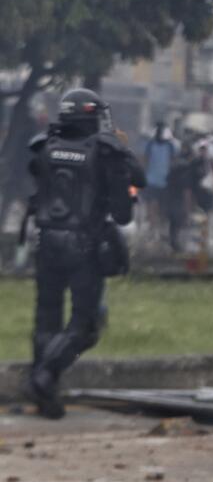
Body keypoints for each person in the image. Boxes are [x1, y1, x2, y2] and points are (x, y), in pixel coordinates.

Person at [24, 89, 145, 418]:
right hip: (82, 246)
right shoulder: (104, 151)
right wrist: (119, 152)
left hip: (46, 241)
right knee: (86, 324)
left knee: (47, 317)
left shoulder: (44, 145)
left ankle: (44, 392)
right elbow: (124, 212)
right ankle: (45, 375)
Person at [141, 122, 175, 236]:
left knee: (158, 206)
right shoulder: (151, 145)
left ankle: (157, 227)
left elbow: (172, 162)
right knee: (152, 205)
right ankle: (153, 227)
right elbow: (145, 161)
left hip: (163, 181)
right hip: (153, 181)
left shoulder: (169, 146)